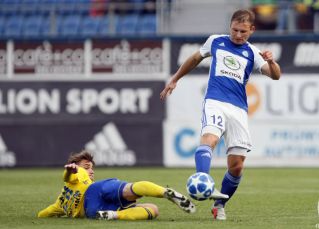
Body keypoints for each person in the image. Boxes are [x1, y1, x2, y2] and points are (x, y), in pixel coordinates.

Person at [160, 9, 281, 220]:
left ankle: (219, 205)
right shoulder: (215, 41)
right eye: (234, 29)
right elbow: (195, 58)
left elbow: (276, 76)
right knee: (209, 139)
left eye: (243, 31)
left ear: (251, 30)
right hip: (215, 101)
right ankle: (203, 179)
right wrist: (175, 78)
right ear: (230, 26)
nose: (238, 35)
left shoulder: (253, 52)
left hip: (238, 109)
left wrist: (271, 61)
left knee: (237, 166)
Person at [37, 151, 195, 220]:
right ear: (75, 165)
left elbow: (44, 214)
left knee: (153, 210)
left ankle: (114, 215)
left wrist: (44, 215)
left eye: (92, 167)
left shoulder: (59, 204)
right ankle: (165, 192)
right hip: (95, 191)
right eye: (87, 166)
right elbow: (69, 175)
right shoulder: (78, 173)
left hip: (93, 211)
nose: (90, 171)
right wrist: (71, 170)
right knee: (129, 189)